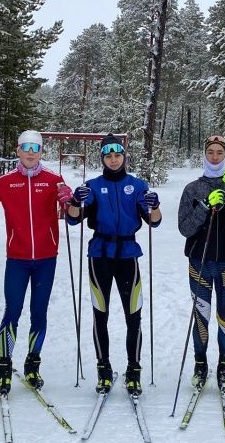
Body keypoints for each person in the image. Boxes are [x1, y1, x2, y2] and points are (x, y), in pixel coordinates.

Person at [0, 129, 72, 393]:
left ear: (41, 152)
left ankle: (32, 363)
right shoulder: (5, 182)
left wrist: (69, 200)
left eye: (35, 148)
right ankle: (4, 365)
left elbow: (71, 213)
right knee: (12, 311)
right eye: (25, 147)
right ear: (17, 150)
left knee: (39, 313)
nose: (30, 152)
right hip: (16, 258)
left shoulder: (53, 180)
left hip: (46, 259)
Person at [65, 134, 161, 396]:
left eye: (117, 155)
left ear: (124, 157)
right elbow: (73, 219)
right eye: (108, 156)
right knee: (101, 314)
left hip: (128, 254)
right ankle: (103, 369)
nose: (114, 160)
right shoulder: (93, 186)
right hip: (100, 255)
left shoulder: (137, 185)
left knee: (134, 315)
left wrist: (154, 205)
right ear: (103, 159)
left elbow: (154, 221)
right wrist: (75, 201)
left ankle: (134, 369)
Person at [176, 135, 225, 395]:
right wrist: (203, 206)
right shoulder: (193, 188)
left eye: (219, 152)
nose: (214, 157)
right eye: (210, 152)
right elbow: (185, 228)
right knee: (201, 313)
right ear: (204, 154)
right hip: (199, 259)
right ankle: (200, 364)